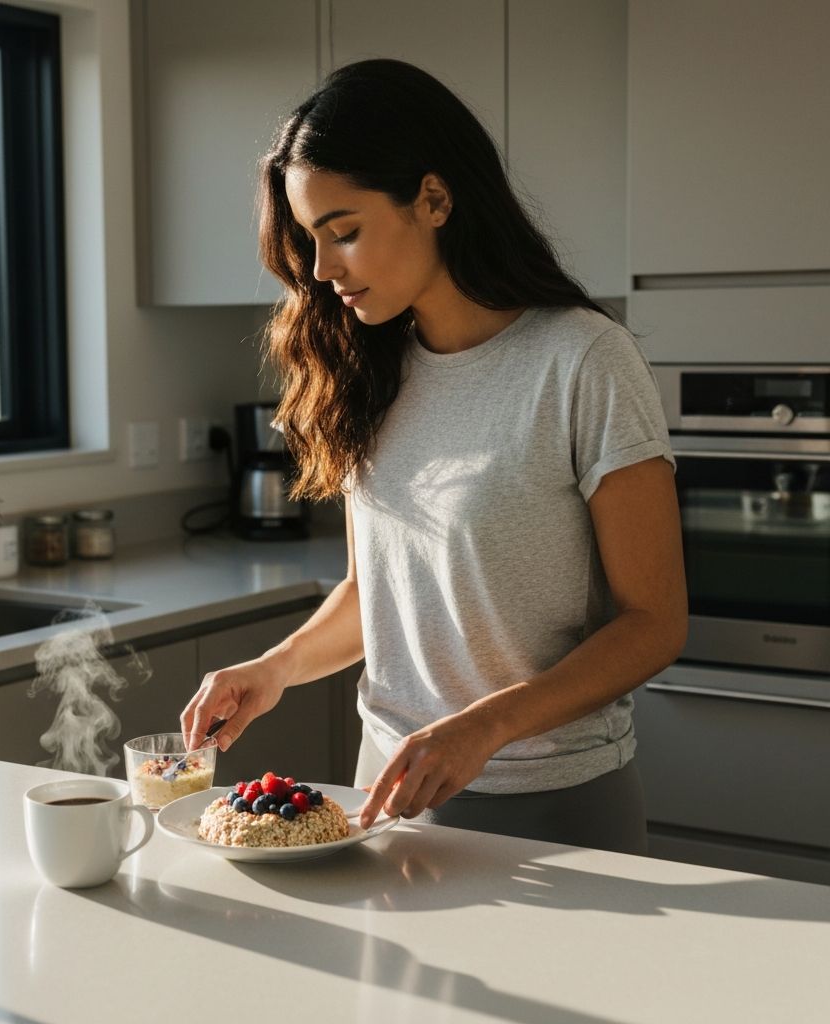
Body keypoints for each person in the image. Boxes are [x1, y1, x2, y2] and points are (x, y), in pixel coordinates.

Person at [181, 59, 687, 855]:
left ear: (436, 199)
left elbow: (655, 623)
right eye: (311, 240)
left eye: (343, 231)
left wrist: (482, 727)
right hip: (384, 798)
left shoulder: (583, 360)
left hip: (552, 808)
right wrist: (273, 669)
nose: (321, 270)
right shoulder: (364, 373)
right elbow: (373, 594)